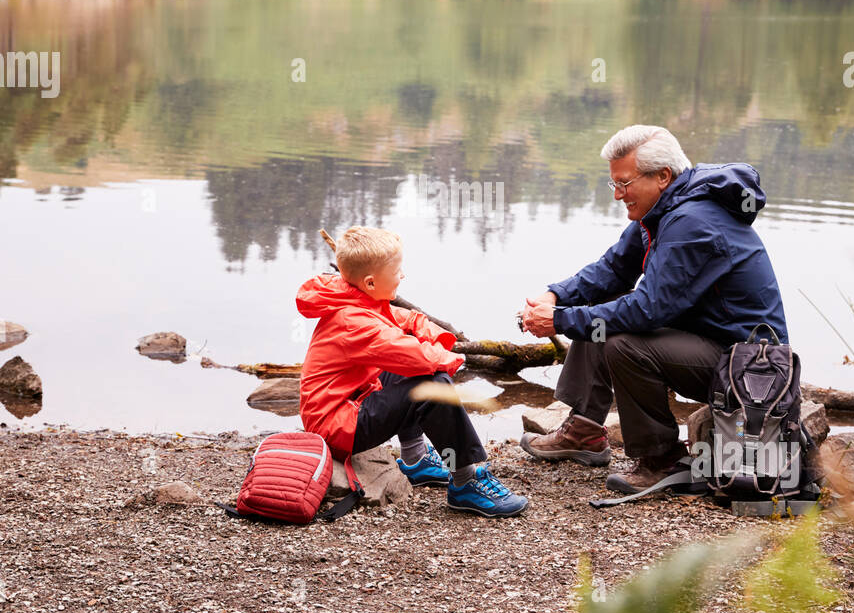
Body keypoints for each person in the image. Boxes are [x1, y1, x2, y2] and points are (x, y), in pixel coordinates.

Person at [519, 125, 788, 494]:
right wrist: (555, 295)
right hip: (707, 342)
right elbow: (613, 270)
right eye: (613, 184)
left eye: (624, 184)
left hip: (748, 367)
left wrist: (561, 321)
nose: (617, 195)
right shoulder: (664, 210)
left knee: (622, 341)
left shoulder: (693, 222)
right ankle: (584, 430)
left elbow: (648, 310)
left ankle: (661, 459)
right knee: (599, 310)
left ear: (662, 176)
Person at [296, 226, 528, 517]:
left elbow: (401, 317)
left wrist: (439, 335)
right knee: (431, 383)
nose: (402, 275)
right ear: (370, 282)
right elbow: (415, 356)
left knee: (412, 372)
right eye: (397, 271)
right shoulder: (354, 322)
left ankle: (416, 459)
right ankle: (466, 482)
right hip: (338, 425)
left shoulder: (349, 295)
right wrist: (450, 360)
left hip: (344, 404)